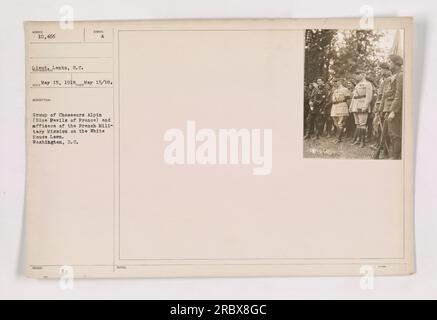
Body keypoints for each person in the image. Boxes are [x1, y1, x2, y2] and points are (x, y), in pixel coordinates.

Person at [384, 54, 404, 159]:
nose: (388, 64)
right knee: (392, 133)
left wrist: (393, 111)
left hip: (397, 110)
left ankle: (396, 158)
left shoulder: (400, 75)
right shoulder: (396, 76)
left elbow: (399, 95)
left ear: (396, 64)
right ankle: (395, 156)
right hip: (393, 107)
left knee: (395, 134)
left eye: (389, 62)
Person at [371, 62, 392, 156]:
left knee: (384, 128)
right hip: (381, 105)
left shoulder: (388, 79)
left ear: (386, 70)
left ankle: (384, 148)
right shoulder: (383, 79)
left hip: (384, 106)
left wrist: (380, 107)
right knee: (379, 127)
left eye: (382, 69)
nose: (380, 71)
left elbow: (384, 95)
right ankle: (380, 146)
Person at [349, 68, 373, 147]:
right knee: (357, 124)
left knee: (362, 124)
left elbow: (369, 97)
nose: (357, 76)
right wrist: (351, 106)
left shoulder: (368, 84)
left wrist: (365, 106)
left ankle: (362, 142)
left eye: (358, 74)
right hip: (355, 105)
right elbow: (354, 97)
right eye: (356, 74)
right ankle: (358, 140)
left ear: (363, 75)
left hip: (362, 105)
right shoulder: (357, 85)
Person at [330, 78, 351, 144]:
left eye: (335, 82)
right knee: (335, 122)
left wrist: (348, 108)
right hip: (335, 106)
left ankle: (338, 138)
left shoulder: (345, 89)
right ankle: (338, 137)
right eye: (333, 82)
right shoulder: (335, 90)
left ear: (339, 82)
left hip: (342, 106)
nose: (333, 84)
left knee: (340, 123)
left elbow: (348, 99)